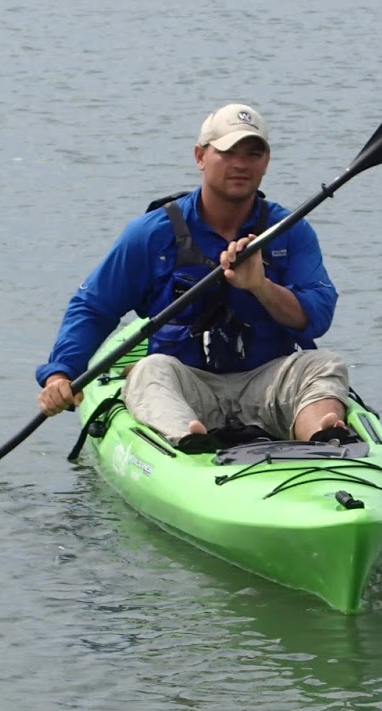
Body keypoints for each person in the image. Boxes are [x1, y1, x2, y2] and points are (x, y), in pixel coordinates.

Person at [35, 104, 355, 452]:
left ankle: (324, 438)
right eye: (227, 152)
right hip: (189, 387)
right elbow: (94, 307)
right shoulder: (151, 234)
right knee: (148, 370)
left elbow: (318, 316)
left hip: (266, 381)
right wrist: (61, 373)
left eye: (253, 153)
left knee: (323, 363)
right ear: (200, 156)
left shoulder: (290, 231)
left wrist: (260, 287)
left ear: (266, 162)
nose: (240, 164)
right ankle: (190, 441)